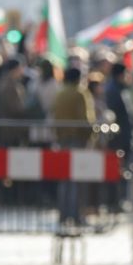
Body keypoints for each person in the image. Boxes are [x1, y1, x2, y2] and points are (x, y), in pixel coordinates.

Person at [51, 67, 96, 228]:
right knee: (78, 180)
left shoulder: (60, 93)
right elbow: (85, 118)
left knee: (65, 179)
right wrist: (91, 135)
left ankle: (63, 215)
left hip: (63, 139)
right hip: (78, 139)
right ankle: (76, 215)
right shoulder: (80, 93)